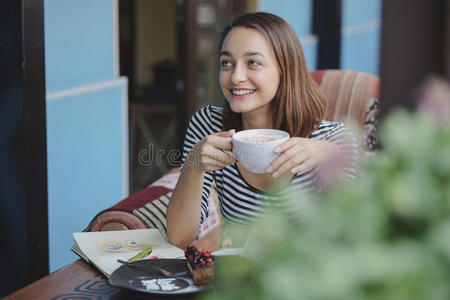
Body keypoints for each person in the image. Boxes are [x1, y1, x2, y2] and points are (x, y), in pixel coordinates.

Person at [167, 12, 358, 248]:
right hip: (241, 279)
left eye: (253, 63)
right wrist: (194, 165)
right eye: (227, 63)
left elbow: (346, 241)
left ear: (284, 69)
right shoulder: (210, 126)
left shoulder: (333, 139)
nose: (236, 77)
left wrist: (331, 157)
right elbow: (179, 238)